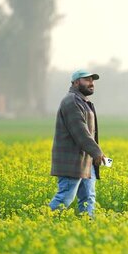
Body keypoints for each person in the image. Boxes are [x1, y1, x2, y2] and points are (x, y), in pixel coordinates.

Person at [49, 69, 107, 217]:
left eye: (92, 80)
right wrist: (97, 152)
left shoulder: (83, 102)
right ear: (75, 82)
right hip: (72, 161)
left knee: (88, 198)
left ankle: (87, 228)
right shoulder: (71, 102)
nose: (91, 83)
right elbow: (80, 132)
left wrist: (95, 153)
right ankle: (43, 223)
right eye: (87, 80)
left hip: (86, 160)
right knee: (65, 198)